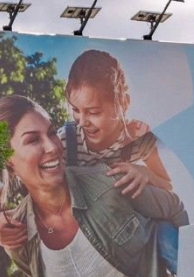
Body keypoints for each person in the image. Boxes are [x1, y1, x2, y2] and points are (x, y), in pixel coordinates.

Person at [0, 95, 187, 277]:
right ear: (7, 160)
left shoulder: (108, 182)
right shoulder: (17, 234)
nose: (52, 147)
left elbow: (174, 208)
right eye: (33, 140)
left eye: (52, 133)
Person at [63, 49, 172, 198]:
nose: (81, 122)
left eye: (94, 112)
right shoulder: (65, 140)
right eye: (76, 110)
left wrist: (146, 173)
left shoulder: (139, 138)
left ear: (123, 103)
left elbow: (168, 186)